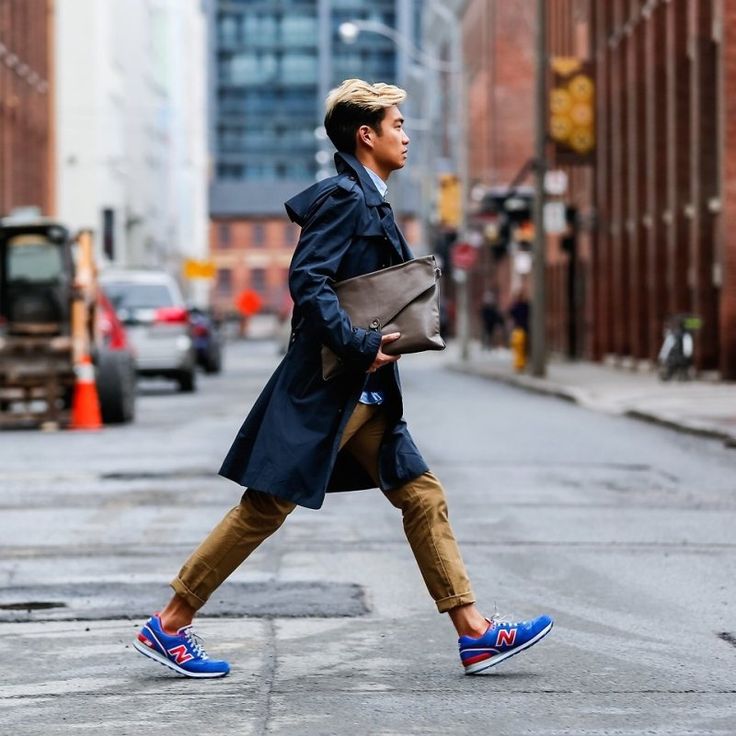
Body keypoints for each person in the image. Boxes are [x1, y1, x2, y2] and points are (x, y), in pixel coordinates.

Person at [133, 79, 553, 679]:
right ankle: (170, 623)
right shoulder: (343, 198)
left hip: (365, 390)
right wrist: (361, 346)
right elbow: (309, 282)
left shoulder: (371, 197)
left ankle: (474, 632)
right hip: (332, 385)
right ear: (367, 134)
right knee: (265, 506)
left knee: (421, 495)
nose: (405, 135)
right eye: (397, 125)